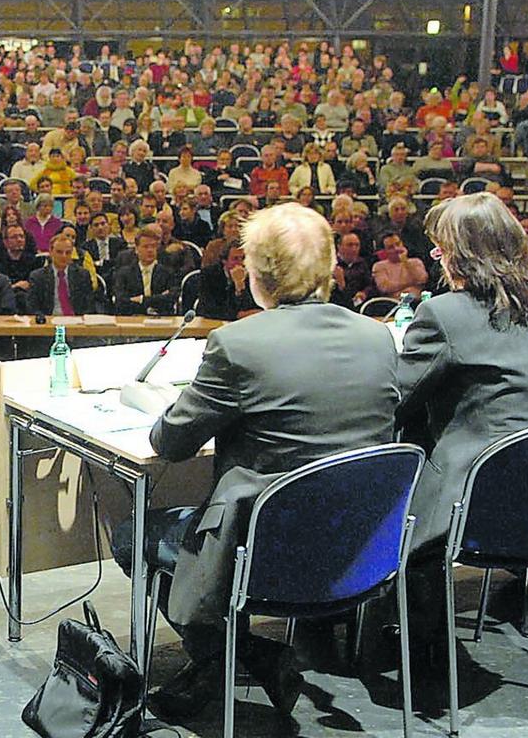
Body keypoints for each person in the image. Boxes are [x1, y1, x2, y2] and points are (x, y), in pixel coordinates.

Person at [112, 203, 400, 718]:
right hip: (360, 549)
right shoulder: (377, 337)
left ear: (256, 275)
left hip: (264, 555)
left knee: (136, 533)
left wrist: (166, 406)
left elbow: (171, 444)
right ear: (329, 267)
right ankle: (244, 657)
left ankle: (236, 657)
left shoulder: (237, 345)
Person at [397, 193, 528, 548]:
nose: (439, 261)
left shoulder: (443, 314)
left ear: (462, 256)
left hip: (471, 490)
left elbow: (398, 400)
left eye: (441, 250)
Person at [112, 228, 178, 316]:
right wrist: (159, 298)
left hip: (162, 320)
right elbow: (121, 302)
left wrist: (141, 299)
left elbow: (171, 299)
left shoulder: (167, 272)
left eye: (153, 246)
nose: (150, 250)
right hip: (132, 320)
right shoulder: (124, 273)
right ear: (136, 249)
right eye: (146, 246)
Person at [27, 234, 94, 316]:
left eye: (68, 252)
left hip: (76, 322)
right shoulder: (38, 277)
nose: (64, 256)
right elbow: (32, 307)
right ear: (51, 252)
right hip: (49, 322)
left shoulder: (82, 275)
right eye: (59, 252)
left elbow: (90, 305)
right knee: (60, 329)